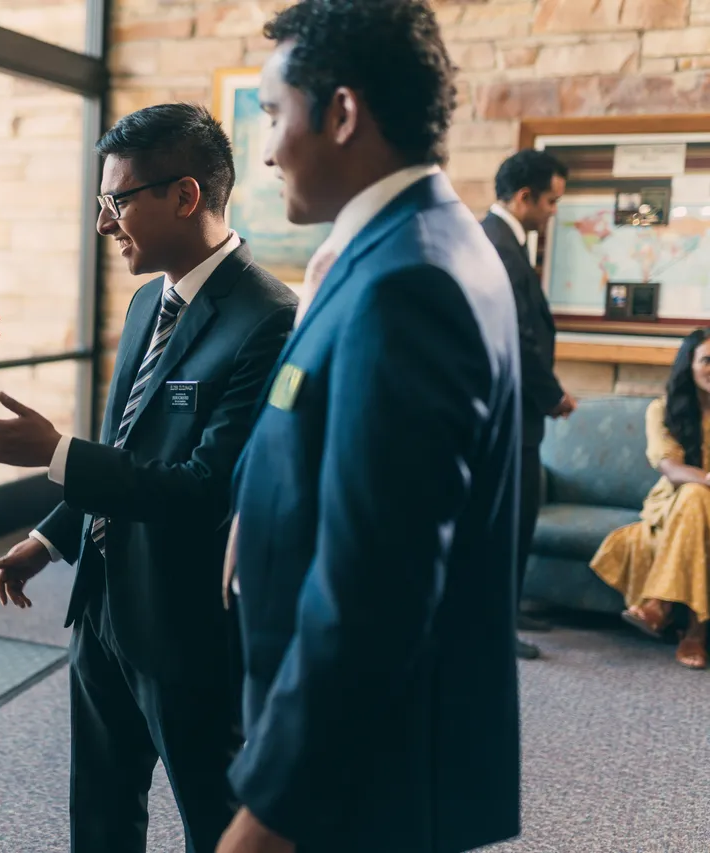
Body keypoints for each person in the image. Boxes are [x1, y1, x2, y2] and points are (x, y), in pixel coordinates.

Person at [0, 103, 296, 853]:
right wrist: (52, 533)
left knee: (219, 823)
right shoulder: (147, 301)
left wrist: (56, 454)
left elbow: (207, 487)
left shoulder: (269, 319)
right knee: (101, 817)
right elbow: (129, 443)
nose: (105, 222)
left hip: (188, 624)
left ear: (185, 195)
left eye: (117, 200)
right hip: (102, 608)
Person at [218, 2, 521, 852]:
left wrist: (268, 813)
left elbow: (373, 591)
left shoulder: (408, 284)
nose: (269, 148)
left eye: (275, 115)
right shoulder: (414, 242)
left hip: (361, 784)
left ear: (343, 113)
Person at [483, 149, 576, 661]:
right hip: (511, 410)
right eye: (552, 202)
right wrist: (552, 394)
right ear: (524, 199)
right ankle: (498, 625)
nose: (553, 212)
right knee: (508, 522)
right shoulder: (498, 246)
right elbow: (518, 336)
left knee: (517, 518)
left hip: (516, 409)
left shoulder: (499, 240)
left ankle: (511, 607)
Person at [591, 329, 710, 670]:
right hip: (673, 505)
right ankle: (695, 634)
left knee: (695, 497)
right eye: (707, 360)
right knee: (693, 495)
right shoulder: (663, 410)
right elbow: (671, 468)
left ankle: (659, 603)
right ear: (689, 364)